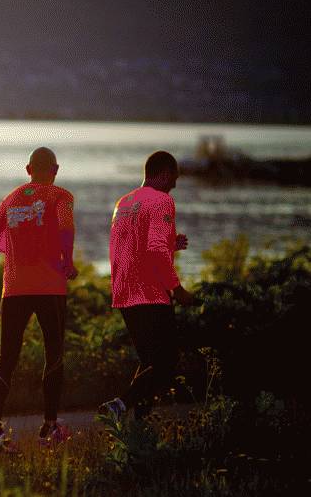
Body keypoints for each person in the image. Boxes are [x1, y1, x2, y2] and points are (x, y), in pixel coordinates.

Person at [0, 147, 77, 453]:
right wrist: (68, 260)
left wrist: (18, 251)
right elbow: (65, 227)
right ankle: (49, 427)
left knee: (7, 357)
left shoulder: (10, 199)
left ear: (28, 169)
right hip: (49, 286)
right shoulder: (59, 195)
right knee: (54, 354)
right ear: (56, 168)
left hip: (14, 287)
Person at [99, 151, 193, 421]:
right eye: (174, 177)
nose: (175, 184)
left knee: (149, 363)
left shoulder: (124, 202)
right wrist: (176, 288)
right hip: (150, 292)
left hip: (123, 291)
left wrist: (170, 243)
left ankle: (139, 429)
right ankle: (119, 405)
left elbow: (132, 245)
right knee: (167, 364)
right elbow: (154, 251)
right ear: (164, 173)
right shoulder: (162, 200)